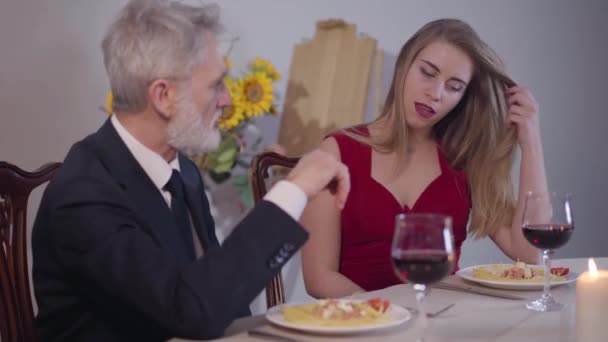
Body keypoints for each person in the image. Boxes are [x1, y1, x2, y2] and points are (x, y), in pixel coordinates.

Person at [31, 1, 349, 341]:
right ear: (163, 96)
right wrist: (294, 189)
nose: (227, 99)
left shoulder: (181, 169)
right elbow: (190, 309)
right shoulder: (83, 194)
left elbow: (218, 298)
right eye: (216, 84)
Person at [300, 18, 548, 298]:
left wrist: (531, 142)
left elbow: (529, 254)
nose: (435, 93)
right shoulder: (336, 152)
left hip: (443, 324)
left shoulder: (462, 159)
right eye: (428, 73)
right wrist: (387, 319)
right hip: (361, 328)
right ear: (404, 65)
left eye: (454, 87)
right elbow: (319, 278)